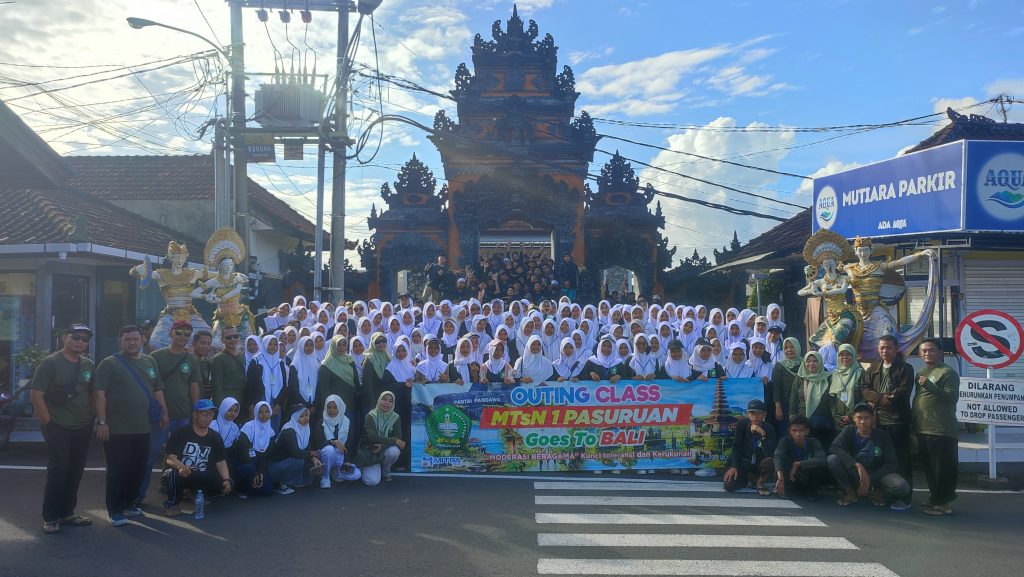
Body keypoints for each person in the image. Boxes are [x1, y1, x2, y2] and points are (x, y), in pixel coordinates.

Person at [93, 325, 168, 526]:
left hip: (143, 428)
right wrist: (102, 422)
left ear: (143, 340)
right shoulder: (110, 363)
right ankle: (115, 510)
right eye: (127, 339)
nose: (132, 343)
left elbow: (157, 390)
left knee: (137, 468)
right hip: (117, 430)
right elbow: (99, 394)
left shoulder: (150, 361)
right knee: (118, 470)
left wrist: (164, 412)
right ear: (120, 341)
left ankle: (128, 503)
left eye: (135, 339)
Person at [30, 323, 97, 534]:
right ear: (64, 338)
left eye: (84, 339)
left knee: (76, 470)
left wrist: (94, 419)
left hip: (83, 425)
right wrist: (47, 422)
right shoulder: (50, 363)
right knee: (59, 470)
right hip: (57, 425)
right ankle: (50, 516)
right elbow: (36, 395)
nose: (80, 342)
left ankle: (67, 512)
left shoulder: (88, 365)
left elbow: (91, 393)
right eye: (75, 337)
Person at [141, 320, 201, 505]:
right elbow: (150, 386)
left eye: (186, 334)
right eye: (179, 333)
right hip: (160, 416)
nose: (183, 337)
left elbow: (194, 385)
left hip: (183, 414)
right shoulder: (156, 357)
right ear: (170, 334)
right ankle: (138, 495)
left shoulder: (191, 359)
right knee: (150, 455)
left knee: (181, 456)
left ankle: (174, 488)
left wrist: (196, 410)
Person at [828, 403, 912, 511]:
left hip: (877, 474)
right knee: (832, 459)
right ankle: (850, 493)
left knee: (902, 486)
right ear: (854, 418)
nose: (863, 422)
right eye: (859, 418)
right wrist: (856, 464)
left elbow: (892, 464)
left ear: (872, 418)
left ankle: (878, 492)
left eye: (867, 418)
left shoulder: (882, 435)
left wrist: (870, 478)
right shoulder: (849, 430)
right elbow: (834, 447)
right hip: (856, 473)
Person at [860, 334, 914, 494]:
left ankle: (904, 496)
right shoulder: (873, 368)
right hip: (877, 423)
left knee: (900, 459)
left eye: (889, 347)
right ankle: (880, 493)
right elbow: (865, 388)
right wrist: (881, 398)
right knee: (878, 458)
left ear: (896, 349)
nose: (885, 350)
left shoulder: (905, 368)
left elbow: (903, 390)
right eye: (882, 347)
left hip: (897, 421)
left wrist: (882, 398)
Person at [160, 399, 232, 516]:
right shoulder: (180, 432)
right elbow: (170, 458)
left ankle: (194, 493)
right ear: (194, 414)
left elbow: (221, 461)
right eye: (205, 413)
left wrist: (226, 480)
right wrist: (181, 467)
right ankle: (173, 503)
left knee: (222, 483)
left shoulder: (215, 436)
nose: (209, 417)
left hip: (201, 474)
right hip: (182, 472)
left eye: (211, 413)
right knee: (171, 475)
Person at [913, 338, 960, 516]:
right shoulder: (922, 372)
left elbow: (951, 397)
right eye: (924, 351)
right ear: (919, 354)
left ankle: (944, 503)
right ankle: (936, 497)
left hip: (941, 428)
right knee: (930, 467)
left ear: (940, 352)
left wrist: (930, 386)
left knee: (943, 468)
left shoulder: (948, 372)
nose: (927, 353)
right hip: (923, 427)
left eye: (931, 350)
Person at [317, 335, 361, 455]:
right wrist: (328, 410)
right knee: (334, 436)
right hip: (333, 409)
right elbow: (324, 391)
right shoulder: (325, 366)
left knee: (349, 433)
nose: (341, 347)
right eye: (339, 345)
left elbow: (356, 384)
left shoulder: (350, 361)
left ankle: (348, 461)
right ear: (333, 346)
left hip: (350, 405)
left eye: (344, 344)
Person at [723, 399, 776, 495]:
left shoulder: (769, 428)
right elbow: (736, 447)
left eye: (758, 413)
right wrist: (733, 466)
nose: (755, 416)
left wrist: (763, 434)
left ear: (764, 414)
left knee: (769, 461)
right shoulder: (742, 424)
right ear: (748, 414)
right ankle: (748, 478)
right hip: (743, 462)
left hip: (759, 463)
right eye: (752, 413)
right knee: (728, 486)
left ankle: (759, 483)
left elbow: (770, 452)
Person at [267, 406, 322, 493]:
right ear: (295, 417)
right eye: (301, 416)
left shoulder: (306, 428)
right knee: (299, 460)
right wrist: (313, 453)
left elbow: (307, 449)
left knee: (314, 461)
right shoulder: (289, 430)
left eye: (306, 415)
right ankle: (281, 482)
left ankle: (295, 481)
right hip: (275, 466)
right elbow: (296, 452)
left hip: (288, 462)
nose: (305, 418)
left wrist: (314, 458)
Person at [773, 415, 827, 501]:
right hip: (789, 477)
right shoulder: (785, 441)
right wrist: (780, 477)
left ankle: (811, 491)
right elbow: (777, 456)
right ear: (789, 431)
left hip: (807, 478)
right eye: (794, 430)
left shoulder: (814, 442)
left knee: (817, 465)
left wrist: (798, 464)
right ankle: (787, 488)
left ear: (807, 431)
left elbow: (822, 460)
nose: (797, 434)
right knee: (782, 457)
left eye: (801, 430)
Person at [357, 391, 405, 486]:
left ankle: (385, 470)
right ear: (379, 400)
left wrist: (383, 446)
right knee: (372, 482)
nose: (387, 403)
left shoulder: (396, 417)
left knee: (394, 451)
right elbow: (373, 437)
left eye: (390, 401)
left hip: (384, 448)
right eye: (384, 399)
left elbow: (399, 437)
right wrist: (394, 440)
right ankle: (367, 467)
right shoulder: (371, 416)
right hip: (371, 450)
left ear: (393, 403)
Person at [315, 394, 362, 488]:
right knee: (329, 450)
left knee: (357, 474)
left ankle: (336, 471)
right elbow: (319, 442)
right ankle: (325, 476)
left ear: (339, 407)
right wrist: (333, 442)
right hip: (325, 455)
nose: (331, 410)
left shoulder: (346, 421)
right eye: (329, 407)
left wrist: (347, 460)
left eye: (334, 407)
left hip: (341, 455)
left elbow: (350, 443)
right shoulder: (321, 422)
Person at [791, 351, 835, 448]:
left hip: (823, 423)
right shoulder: (800, 378)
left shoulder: (828, 377)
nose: (811, 364)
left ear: (820, 362)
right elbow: (793, 399)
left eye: (815, 361)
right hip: (803, 422)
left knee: (822, 448)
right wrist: (792, 417)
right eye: (808, 361)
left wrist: (835, 417)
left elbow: (832, 400)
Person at [236, 401, 278, 498]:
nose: (264, 415)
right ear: (255, 413)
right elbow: (243, 451)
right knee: (248, 470)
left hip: (260, 464)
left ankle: (254, 487)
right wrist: (255, 473)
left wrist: (261, 473)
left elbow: (266, 455)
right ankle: (241, 489)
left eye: (267, 411)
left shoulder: (271, 431)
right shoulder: (248, 427)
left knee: (268, 491)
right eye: (260, 412)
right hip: (247, 462)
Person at [829, 343, 862, 432]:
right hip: (838, 422)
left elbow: (864, 398)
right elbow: (831, 398)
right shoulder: (834, 375)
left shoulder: (860, 373)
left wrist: (851, 415)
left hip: (856, 420)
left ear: (853, 356)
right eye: (841, 354)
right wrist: (836, 416)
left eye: (848, 354)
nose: (844, 357)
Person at [771, 337, 801, 431]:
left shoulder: (805, 363)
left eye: (792, 347)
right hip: (785, 406)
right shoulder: (780, 366)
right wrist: (778, 408)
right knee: (786, 432)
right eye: (786, 348)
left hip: (802, 405)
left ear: (797, 347)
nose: (789, 350)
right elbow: (776, 388)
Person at [286, 336, 320, 411]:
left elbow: (318, 385)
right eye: (306, 345)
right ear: (301, 346)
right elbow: (293, 388)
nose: (309, 348)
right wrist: (306, 405)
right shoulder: (294, 365)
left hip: (314, 406)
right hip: (299, 405)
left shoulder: (316, 364)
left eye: (311, 345)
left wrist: (314, 404)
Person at [192, 331, 214, 398]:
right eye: (202, 343)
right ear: (194, 344)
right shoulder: (187, 362)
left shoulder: (209, 363)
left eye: (209, 344)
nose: (206, 346)